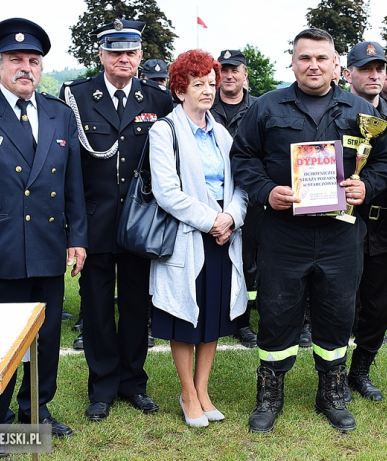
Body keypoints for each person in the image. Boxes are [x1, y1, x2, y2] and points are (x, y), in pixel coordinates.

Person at [231, 28, 387, 433]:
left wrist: (366, 186)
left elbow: (386, 163)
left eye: (322, 58)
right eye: (305, 57)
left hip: (341, 235)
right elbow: (242, 157)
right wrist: (267, 191)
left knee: (338, 311)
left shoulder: (362, 112)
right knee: (277, 311)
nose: (313, 65)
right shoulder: (267, 107)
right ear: (293, 61)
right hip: (284, 234)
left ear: (336, 63)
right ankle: (270, 393)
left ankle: (332, 391)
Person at [0, 17, 88, 438]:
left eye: (34, 60)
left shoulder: (59, 114)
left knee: (44, 339)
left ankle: (35, 413)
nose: (26, 67)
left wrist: (77, 238)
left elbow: (72, 184)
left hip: (46, 244)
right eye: (16, 60)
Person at [59, 18, 174, 423]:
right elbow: (69, 167)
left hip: (140, 224)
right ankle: (102, 387)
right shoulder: (75, 96)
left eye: (130, 52)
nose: (123, 59)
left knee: (134, 306)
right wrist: (73, 228)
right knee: (96, 309)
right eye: (115, 52)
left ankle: (133, 383)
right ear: (101, 55)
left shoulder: (158, 99)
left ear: (141, 55)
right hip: (95, 224)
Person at [148, 49, 248, 427]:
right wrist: (213, 220)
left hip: (224, 237)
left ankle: (204, 390)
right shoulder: (165, 130)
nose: (207, 90)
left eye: (211, 83)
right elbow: (167, 191)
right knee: (184, 319)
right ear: (179, 88)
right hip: (189, 237)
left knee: (213, 318)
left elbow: (239, 186)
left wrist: (232, 219)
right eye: (198, 84)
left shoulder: (221, 132)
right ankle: (187, 393)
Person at [341, 41, 387, 401]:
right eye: (365, 69)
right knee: (340, 304)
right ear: (349, 73)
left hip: (386, 226)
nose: (374, 75)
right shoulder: (335, 113)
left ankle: (360, 370)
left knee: (380, 307)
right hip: (341, 224)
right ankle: (333, 373)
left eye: (379, 68)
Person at [211, 48, 259, 349]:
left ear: (244, 75)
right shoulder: (203, 105)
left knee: (248, 263)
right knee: (214, 261)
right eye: (223, 70)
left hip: (250, 194)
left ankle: (243, 322)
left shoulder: (259, 107)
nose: (229, 75)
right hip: (212, 198)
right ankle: (213, 318)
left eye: (235, 70)